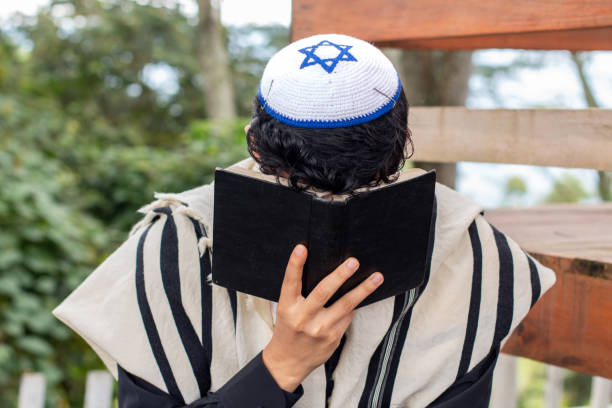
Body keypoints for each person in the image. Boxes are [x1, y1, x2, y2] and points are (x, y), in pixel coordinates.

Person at [53, 33, 557, 407]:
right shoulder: (481, 259)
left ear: (254, 139)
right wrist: (280, 366)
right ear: (400, 144)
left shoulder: (165, 245)